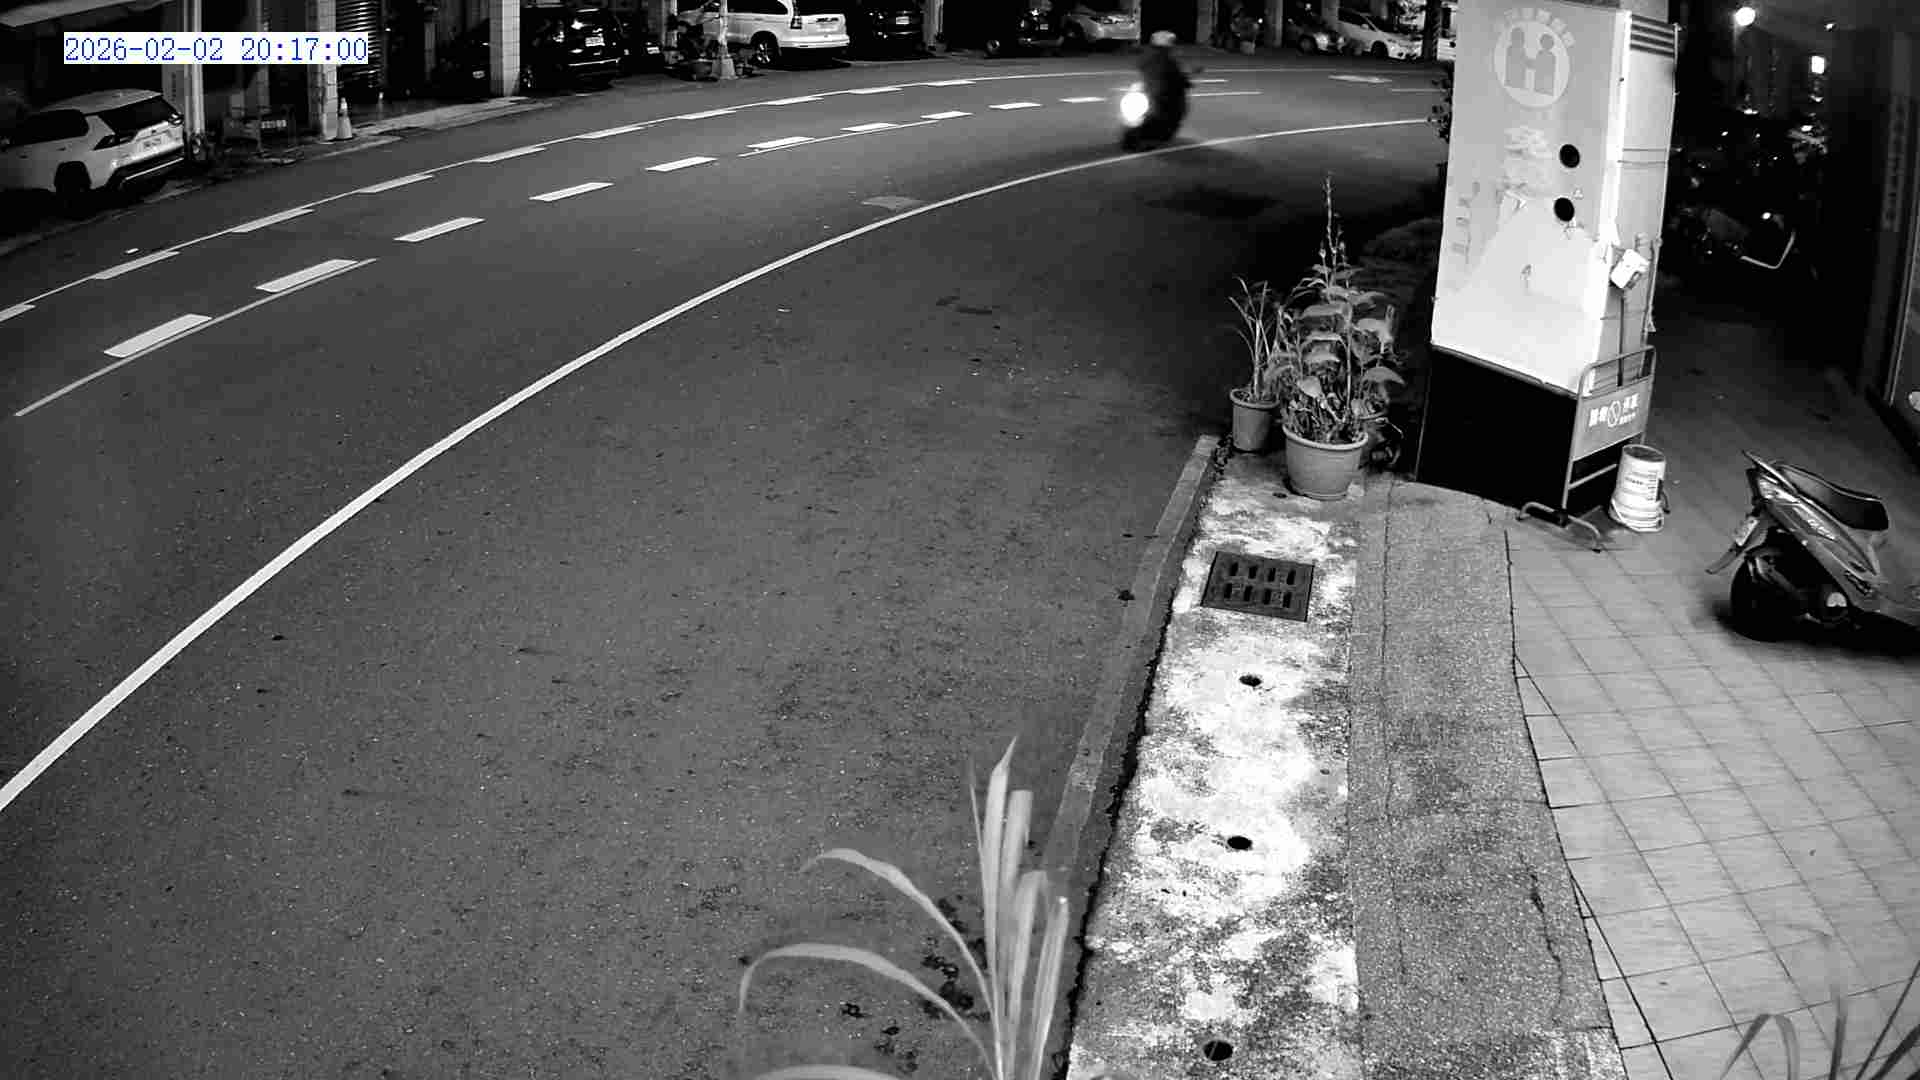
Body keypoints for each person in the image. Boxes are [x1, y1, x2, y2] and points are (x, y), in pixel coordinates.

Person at [1137, 30, 1191, 132]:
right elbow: (1179, 77)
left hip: (1149, 92)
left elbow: (1140, 66)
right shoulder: (1169, 60)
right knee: (1178, 104)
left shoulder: (1147, 57)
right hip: (1161, 95)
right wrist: (1186, 82)